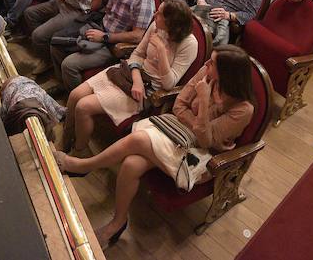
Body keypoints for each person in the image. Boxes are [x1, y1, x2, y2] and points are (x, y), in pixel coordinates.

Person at [54, 45, 254, 249]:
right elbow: (178, 106)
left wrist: (202, 101)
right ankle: (118, 222)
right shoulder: (206, 74)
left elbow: (205, 143)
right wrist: (197, 124)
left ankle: (84, 166)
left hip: (199, 159)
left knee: (139, 140)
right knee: (131, 164)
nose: (206, 64)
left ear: (228, 74)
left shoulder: (243, 109)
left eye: (212, 63)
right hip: (175, 132)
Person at [62, 0, 197, 155]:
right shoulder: (156, 26)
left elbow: (169, 84)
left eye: (160, 14)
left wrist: (161, 51)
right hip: (130, 74)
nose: (155, 15)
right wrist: (137, 78)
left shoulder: (189, 44)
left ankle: (80, 150)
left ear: (171, 22)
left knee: (83, 107)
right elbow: (137, 54)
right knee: (74, 95)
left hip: (147, 91)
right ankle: (67, 138)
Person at [53, 0, 154, 93]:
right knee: (56, 44)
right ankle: (64, 85)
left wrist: (105, 36)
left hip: (112, 44)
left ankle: (73, 97)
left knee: (69, 65)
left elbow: (137, 36)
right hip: (97, 27)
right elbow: (93, 6)